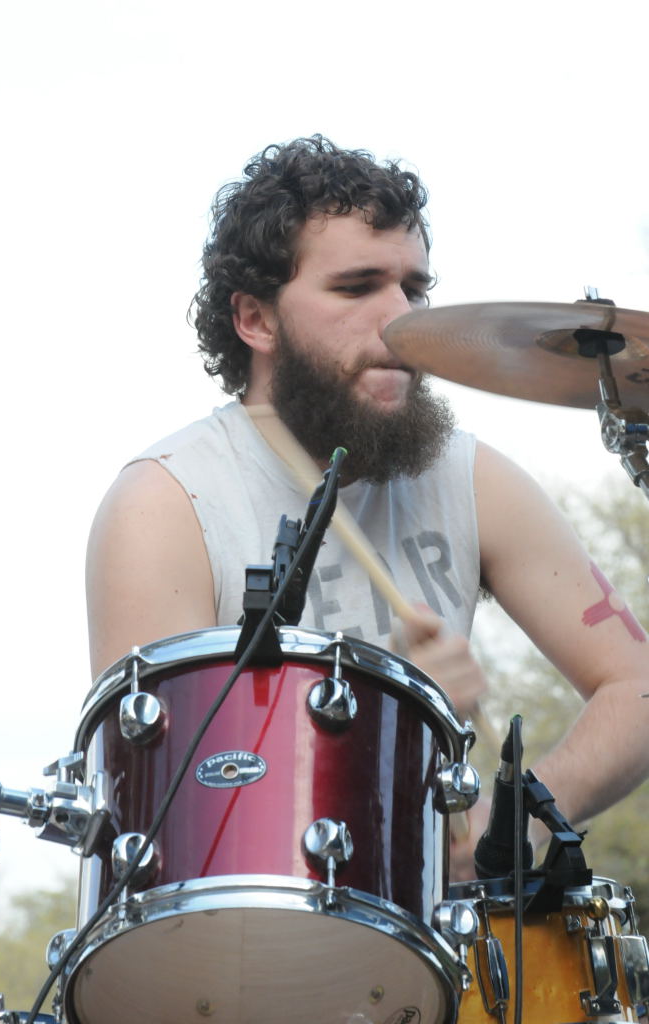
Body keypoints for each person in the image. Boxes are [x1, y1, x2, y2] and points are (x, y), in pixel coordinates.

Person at [86, 135, 649, 877]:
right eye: (357, 288)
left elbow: (636, 685)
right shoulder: (166, 504)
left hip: (436, 938)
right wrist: (390, 727)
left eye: (412, 289)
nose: (400, 320)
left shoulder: (468, 477)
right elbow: (159, 808)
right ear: (255, 319)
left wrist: (508, 825)